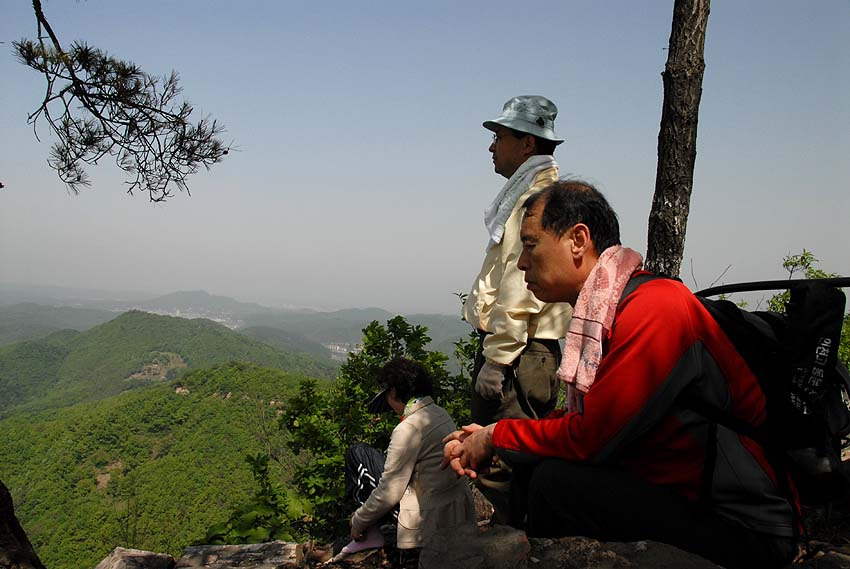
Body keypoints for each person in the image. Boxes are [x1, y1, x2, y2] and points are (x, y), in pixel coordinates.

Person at [444, 181, 799, 569]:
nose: (522, 262)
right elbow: (588, 420)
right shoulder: (610, 310)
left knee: (555, 484)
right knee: (538, 470)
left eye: (530, 245)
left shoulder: (654, 309)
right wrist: (483, 437)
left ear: (578, 240)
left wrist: (497, 435)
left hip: (743, 527)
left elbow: (591, 437)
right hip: (678, 495)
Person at [464, 95, 572, 428]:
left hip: (519, 354)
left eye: (499, 138)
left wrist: (496, 361)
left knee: (501, 462)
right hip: (520, 351)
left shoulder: (536, 201)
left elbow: (521, 285)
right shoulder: (537, 193)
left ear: (527, 144)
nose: (491, 148)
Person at [343, 358, 474, 558]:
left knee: (358, 454)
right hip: (454, 511)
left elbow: (389, 491)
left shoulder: (408, 429)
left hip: (426, 519)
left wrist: (358, 521)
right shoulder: (439, 413)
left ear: (393, 392)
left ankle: (372, 534)